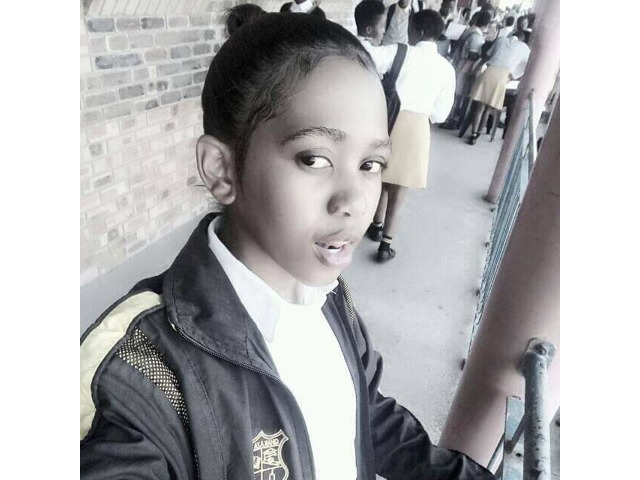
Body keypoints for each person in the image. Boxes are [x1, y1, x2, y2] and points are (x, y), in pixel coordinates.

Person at [80, 12, 495, 480]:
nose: (354, 202)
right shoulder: (140, 368)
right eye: (314, 159)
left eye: (371, 164)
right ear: (221, 169)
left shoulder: (327, 296)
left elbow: (364, 412)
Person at [356, 5, 456, 261]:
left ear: (418, 31)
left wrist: (367, 34)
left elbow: (368, 56)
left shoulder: (400, 52)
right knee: (400, 189)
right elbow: (441, 114)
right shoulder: (446, 68)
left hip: (388, 119)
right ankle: (385, 245)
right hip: (417, 128)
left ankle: (374, 225)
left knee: (380, 177)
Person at [466, 30, 531, 144]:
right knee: (488, 109)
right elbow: (527, 64)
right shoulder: (524, 48)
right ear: (522, 39)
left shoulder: (501, 40)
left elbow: (488, 55)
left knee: (479, 107)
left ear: (512, 35)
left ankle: (473, 135)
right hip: (503, 77)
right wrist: (514, 75)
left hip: (489, 71)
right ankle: (480, 132)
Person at [440, 9, 492, 130]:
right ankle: (451, 120)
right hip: (465, 68)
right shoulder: (477, 37)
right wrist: (483, 57)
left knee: (456, 93)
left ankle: (449, 118)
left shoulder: (469, 30)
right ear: (487, 24)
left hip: (459, 64)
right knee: (459, 95)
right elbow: (472, 55)